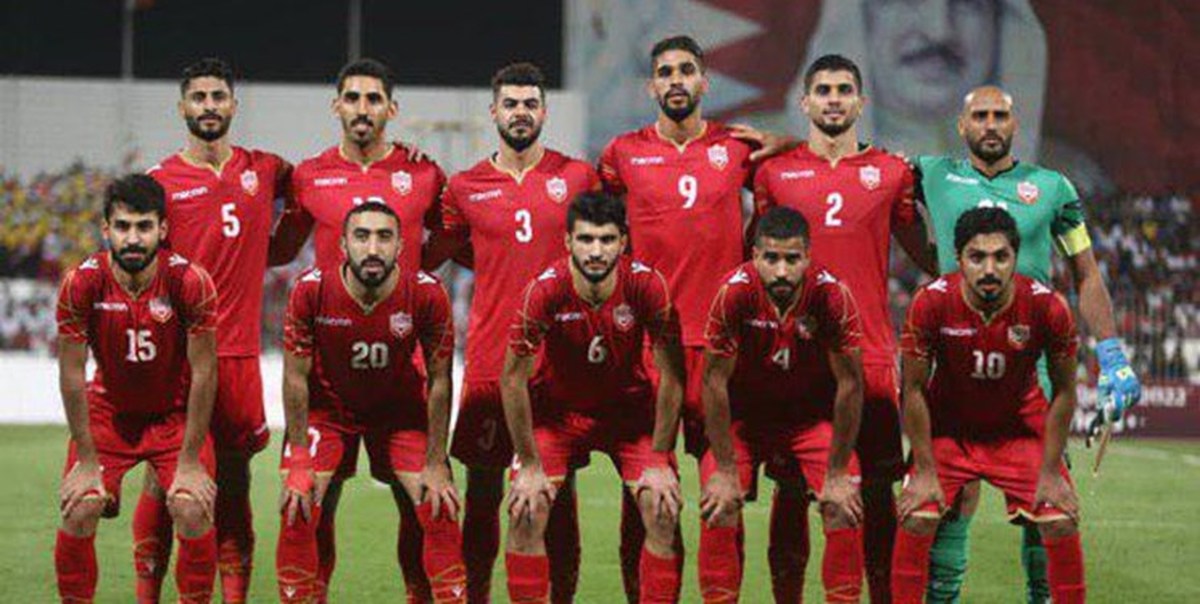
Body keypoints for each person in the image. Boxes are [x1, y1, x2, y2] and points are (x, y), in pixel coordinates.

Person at [913, 85, 1138, 603]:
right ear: (962, 126)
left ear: (1015, 125)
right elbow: (865, 172)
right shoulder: (932, 174)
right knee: (949, 499)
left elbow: (1086, 273)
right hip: (954, 360)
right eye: (980, 116)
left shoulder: (1052, 187)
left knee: (1046, 502)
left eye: (1000, 116)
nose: (990, 124)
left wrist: (1111, 354)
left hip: (1031, 366)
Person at [598, 35, 789, 598]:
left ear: (704, 82)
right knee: (648, 500)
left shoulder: (737, 147)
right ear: (651, 86)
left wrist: (790, 140)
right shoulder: (622, 154)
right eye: (665, 72)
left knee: (722, 500)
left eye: (686, 70)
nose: (676, 80)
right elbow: (597, 226)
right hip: (649, 350)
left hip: (722, 349)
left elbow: (797, 168)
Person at [753, 54, 936, 601]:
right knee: (791, 491)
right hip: (794, 359)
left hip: (871, 356)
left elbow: (930, 257)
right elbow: (753, 259)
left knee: (877, 493)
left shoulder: (892, 173)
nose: (834, 99)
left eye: (843, 90)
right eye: (824, 90)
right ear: (805, 102)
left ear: (861, 101)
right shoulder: (774, 174)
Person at [422, 62, 599, 603]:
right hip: (490, 363)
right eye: (511, 104)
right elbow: (437, 254)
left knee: (559, 496)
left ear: (543, 112)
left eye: (529, 104)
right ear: (493, 112)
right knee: (482, 493)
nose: (520, 113)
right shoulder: (465, 187)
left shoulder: (577, 178)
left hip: (560, 366)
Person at [271, 57, 447, 601]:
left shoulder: (424, 175)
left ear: (392, 108)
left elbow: (447, 242)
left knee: (422, 509)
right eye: (352, 98)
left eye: (374, 99)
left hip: (401, 372)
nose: (363, 109)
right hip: (328, 378)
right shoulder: (309, 176)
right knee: (310, 506)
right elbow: (279, 248)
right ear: (336, 106)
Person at [139, 57, 293, 603]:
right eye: (199, 97)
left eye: (218, 96)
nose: (209, 106)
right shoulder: (158, 182)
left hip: (240, 357)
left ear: (233, 104)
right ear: (182, 106)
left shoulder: (265, 169)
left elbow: (316, 195)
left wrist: (280, 249)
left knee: (235, 480)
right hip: (178, 361)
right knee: (164, 480)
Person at [891, 207, 1086, 604]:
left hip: (1020, 431)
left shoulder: (1047, 307)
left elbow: (1066, 391)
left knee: (1061, 520)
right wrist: (924, 469)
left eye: (1001, 256)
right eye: (977, 257)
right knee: (916, 516)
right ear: (959, 258)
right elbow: (912, 389)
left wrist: (1052, 471)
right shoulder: (931, 302)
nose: (989, 269)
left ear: (1016, 257)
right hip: (950, 432)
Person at [274, 202, 466, 603]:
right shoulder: (311, 289)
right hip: (329, 413)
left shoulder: (427, 292)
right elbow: (294, 376)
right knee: (298, 506)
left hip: (400, 414)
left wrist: (436, 462)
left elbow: (440, 380)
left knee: (440, 507)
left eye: (384, 237)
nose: (373, 248)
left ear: (401, 246)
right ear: (343, 245)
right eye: (362, 236)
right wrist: (299, 458)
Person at [501, 192, 686, 603]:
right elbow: (512, 380)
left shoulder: (647, 285)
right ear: (568, 241)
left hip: (629, 416)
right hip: (558, 416)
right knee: (526, 510)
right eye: (586, 239)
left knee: (662, 508)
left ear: (623, 241)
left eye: (606, 239)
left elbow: (673, 377)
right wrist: (529, 464)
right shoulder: (544, 291)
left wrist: (659, 459)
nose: (596, 251)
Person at [54, 174, 220, 603]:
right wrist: (87, 459)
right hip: (109, 415)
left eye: (143, 226)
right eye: (122, 226)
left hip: (173, 416)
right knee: (80, 505)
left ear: (162, 229)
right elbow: (71, 372)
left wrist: (189, 461)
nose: (132, 238)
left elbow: (205, 371)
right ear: (105, 229)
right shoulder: (81, 283)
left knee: (192, 506)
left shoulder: (190, 281)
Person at [698, 206, 866, 602]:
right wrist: (725, 469)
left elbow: (851, 384)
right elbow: (713, 382)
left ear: (808, 256)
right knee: (719, 503)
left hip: (809, 422)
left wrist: (837, 472)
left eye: (792, 259)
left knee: (844, 505)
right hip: (745, 423)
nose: (781, 271)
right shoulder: (734, 292)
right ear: (755, 255)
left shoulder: (831, 295)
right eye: (771, 258)